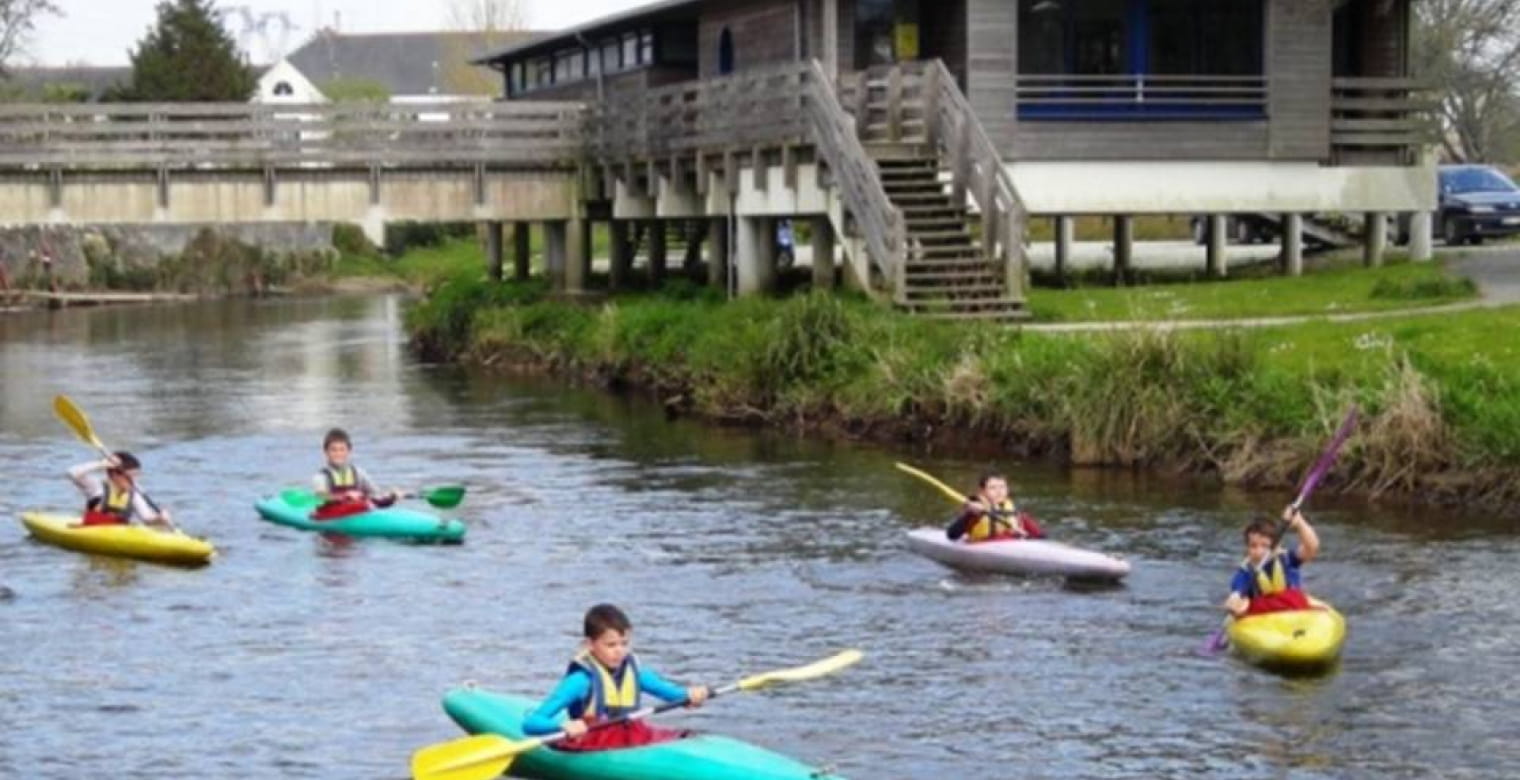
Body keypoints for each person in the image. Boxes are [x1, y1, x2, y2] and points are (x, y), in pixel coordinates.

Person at [522, 604, 709, 751]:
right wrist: (563, 727)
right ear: (590, 644)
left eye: (624, 643)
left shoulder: (636, 673)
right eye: (611, 645)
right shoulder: (580, 680)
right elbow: (531, 723)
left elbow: (675, 695)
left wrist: (691, 696)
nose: (619, 651)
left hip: (632, 736)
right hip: (592, 742)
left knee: (686, 735)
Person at [1224, 507, 1320, 618]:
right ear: (1247, 548)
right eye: (1253, 546)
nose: (1259, 552)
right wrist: (1234, 600)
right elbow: (1237, 592)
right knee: (1241, 607)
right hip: (1264, 615)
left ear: (1277, 546)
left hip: (1293, 609)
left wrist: (1300, 523)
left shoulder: (1287, 559)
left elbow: (1312, 547)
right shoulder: (1245, 572)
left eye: (1265, 546)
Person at [67, 451, 173, 529]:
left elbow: (147, 519)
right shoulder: (97, 487)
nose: (135, 481)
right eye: (130, 477)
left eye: (137, 476)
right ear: (114, 475)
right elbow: (72, 473)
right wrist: (102, 464)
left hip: (119, 535)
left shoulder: (134, 493)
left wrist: (159, 519)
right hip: (92, 532)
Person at [311, 428, 397, 517]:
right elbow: (321, 497)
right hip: (329, 515)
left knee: (375, 501)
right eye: (333, 450)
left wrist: (391, 496)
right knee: (362, 504)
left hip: (355, 510)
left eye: (342, 450)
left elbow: (375, 494)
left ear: (349, 451)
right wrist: (345, 496)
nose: (338, 454)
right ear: (326, 452)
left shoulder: (359, 473)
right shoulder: (321, 476)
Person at [945, 472, 1044, 543]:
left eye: (1002, 487)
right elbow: (952, 535)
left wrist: (1027, 536)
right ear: (983, 491)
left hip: (1013, 548)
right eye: (993, 488)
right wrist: (970, 514)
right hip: (982, 551)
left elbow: (1041, 537)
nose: (999, 491)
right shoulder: (977, 511)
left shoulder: (1016, 512)